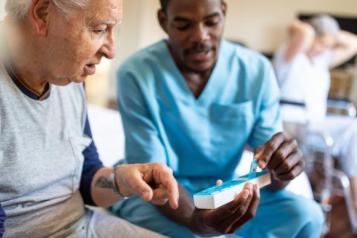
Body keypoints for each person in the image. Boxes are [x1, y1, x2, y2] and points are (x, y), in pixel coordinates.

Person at [111, 0, 324, 237]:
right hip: (157, 195)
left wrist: (282, 168)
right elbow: (150, 176)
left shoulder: (256, 71)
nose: (200, 36)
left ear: (223, 13)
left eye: (211, 22)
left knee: (307, 216)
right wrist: (198, 222)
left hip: (222, 188)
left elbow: (268, 173)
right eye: (184, 25)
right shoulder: (136, 74)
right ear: (164, 21)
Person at [0, 0, 180, 237]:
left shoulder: (66, 75)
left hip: (83, 225)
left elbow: (85, 174)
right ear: (43, 14)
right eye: (99, 29)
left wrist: (121, 180)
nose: (111, 50)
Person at [273, 15, 357, 208]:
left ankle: (353, 188)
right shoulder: (290, 55)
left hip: (317, 124)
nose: (322, 49)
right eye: (320, 43)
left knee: (355, 129)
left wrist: (331, 36)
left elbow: (354, 43)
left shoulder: (322, 60)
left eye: (328, 46)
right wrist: (306, 28)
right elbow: (304, 32)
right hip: (292, 123)